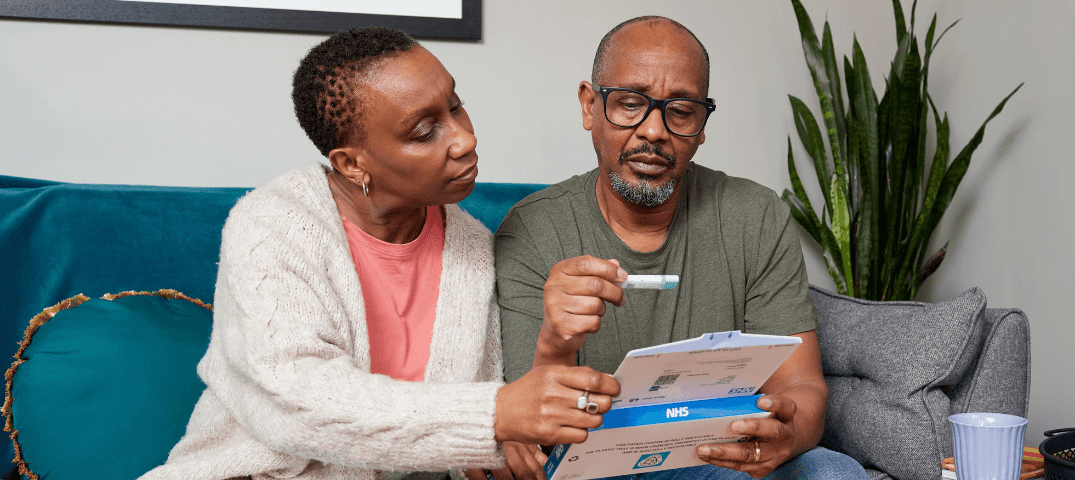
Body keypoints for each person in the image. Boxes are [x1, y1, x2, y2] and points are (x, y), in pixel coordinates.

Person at [141, 27, 619, 480]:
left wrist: (500, 444)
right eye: (423, 130)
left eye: (456, 106)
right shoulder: (270, 226)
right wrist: (494, 416)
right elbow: (298, 402)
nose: (465, 139)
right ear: (352, 164)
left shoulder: (471, 244)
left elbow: (478, 420)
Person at [494, 17, 871, 480]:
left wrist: (787, 436)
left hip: (717, 451)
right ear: (590, 105)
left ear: (703, 124)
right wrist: (555, 342)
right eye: (630, 103)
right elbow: (527, 435)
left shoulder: (756, 215)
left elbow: (802, 386)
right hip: (592, 463)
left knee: (833, 472)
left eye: (681, 110)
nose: (654, 130)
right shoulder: (532, 228)